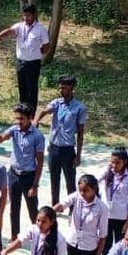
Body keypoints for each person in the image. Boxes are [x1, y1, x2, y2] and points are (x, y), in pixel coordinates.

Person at [0, 104, 44, 240]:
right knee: (14, 208)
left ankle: (39, 236)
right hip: (13, 175)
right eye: (17, 118)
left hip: (28, 177)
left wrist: (34, 185)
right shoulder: (14, 130)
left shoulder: (37, 136)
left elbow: (40, 162)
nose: (19, 121)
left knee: (32, 209)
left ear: (30, 118)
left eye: (22, 119)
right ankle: (14, 236)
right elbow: (1, 137)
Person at [35, 75, 86, 205]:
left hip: (68, 150)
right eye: (60, 87)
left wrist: (78, 156)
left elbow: (80, 133)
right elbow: (44, 111)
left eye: (63, 87)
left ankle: (72, 208)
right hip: (53, 148)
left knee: (70, 181)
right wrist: (36, 120)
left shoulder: (79, 108)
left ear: (71, 88)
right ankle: (55, 206)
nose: (60, 90)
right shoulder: (57, 103)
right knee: (54, 180)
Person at [0, 3, 50, 108]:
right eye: (24, 15)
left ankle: (31, 115)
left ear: (34, 15)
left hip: (33, 64)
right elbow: (10, 31)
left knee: (31, 89)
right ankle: (23, 111)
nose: (25, 18)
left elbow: (46, 47)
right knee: (22, 88)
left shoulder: (40, 29)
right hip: (21, 63)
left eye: (28, 16)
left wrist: (36, 52)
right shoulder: (19, 26)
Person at [55, 173, 105, 255]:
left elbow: (103, 235)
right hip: (72, 243)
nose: (82, 193)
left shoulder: (102, 208)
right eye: (80, 190)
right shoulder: (76, 196)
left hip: (88, 247)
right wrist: (49, 212)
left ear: (94, 189)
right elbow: (62, 205)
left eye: (86, 190)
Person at [101, 149, 128, 253]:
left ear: (124, 162)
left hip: (121, 217)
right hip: (106, 215)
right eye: (112, 162)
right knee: (105, 245)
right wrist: (108, 169)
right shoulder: (108, 172)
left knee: (121, 245)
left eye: (117, 163)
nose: (114, 165)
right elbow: (95, 180)